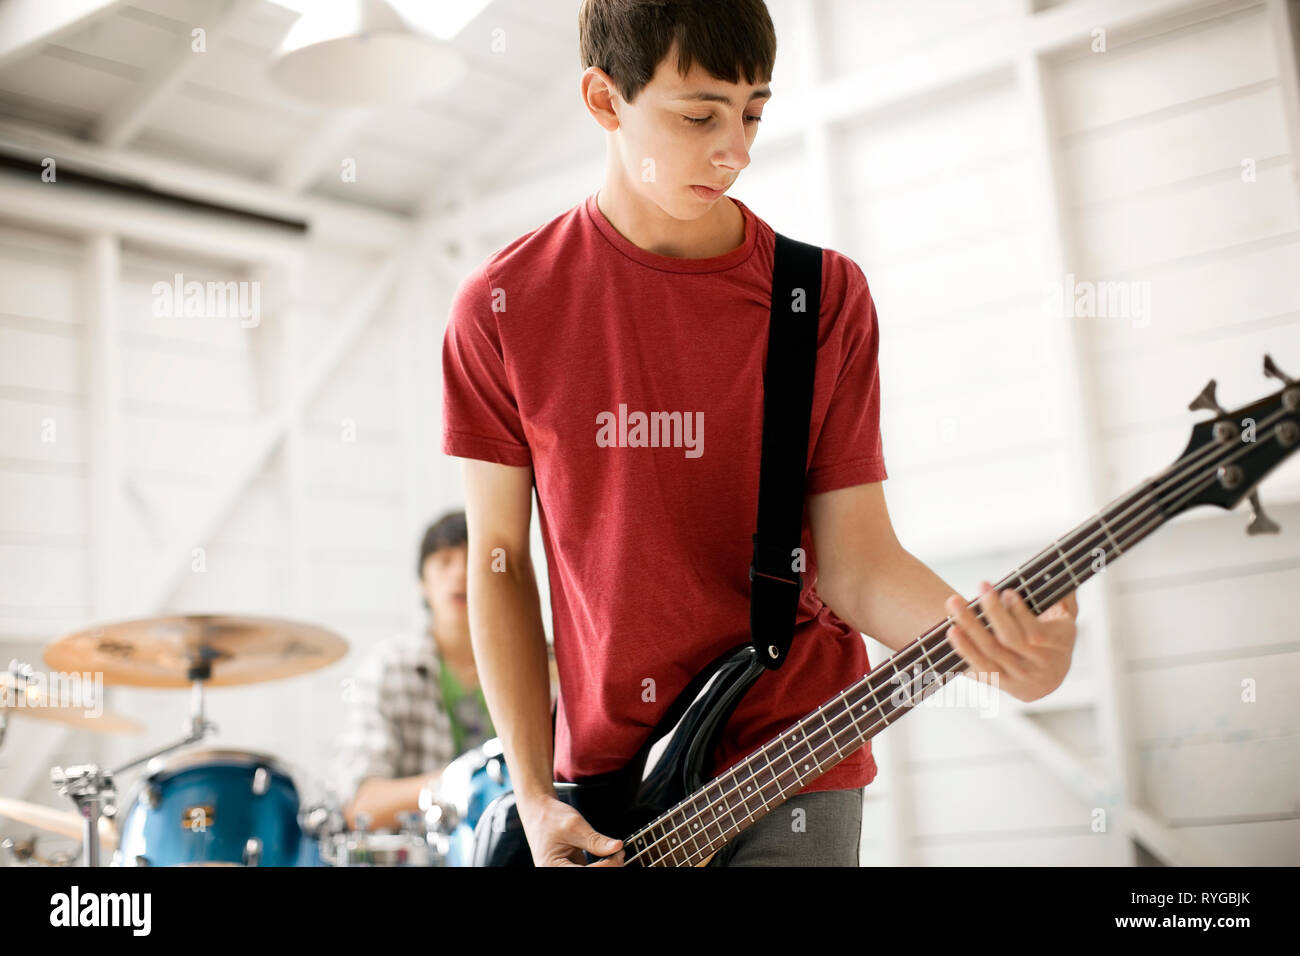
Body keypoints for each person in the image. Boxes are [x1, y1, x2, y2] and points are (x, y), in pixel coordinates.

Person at [440, 0, 1080, 867]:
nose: (735, 151)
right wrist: (532, 795)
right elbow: (498, 562)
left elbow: (857, 564)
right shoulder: (502, 306)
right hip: (605, 782)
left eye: (753, 113)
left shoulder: (821, 297)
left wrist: (1000, 655)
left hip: (795, 758)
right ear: (603, 100)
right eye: (699, 114)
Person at [330, 511, 496, 832]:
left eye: (473, 559)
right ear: (422, 584)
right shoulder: (389, 667)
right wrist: (465, 782)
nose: (460, 572)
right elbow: (360, 807)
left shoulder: (540, 670)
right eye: (445, 561)